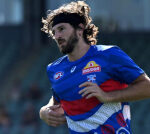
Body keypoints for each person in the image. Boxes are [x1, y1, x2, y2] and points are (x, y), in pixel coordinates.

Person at [39, 1, 150, 134]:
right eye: (54, 32)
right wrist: (44, 111)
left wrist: (107, 96)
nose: (57, 36)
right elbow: (57, 101)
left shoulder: (108, 55)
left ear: (80, 29)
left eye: (61, 29)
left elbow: (147, 87)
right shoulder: (54, 69)